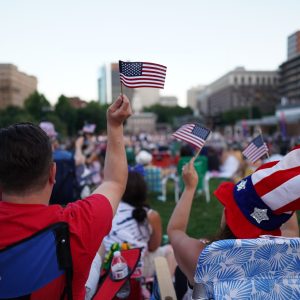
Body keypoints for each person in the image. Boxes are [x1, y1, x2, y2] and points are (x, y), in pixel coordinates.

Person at [0, 94, 132, 299]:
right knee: (97, 248)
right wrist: (114, 125)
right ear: (53, 173)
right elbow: (114, 182)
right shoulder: (77, 224)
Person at [167, 148, 300, 291]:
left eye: (227, 204)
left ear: (227, 214)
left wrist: (189, 188)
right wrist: (281, 200)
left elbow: (175, 230)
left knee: (179, 275)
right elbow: (291, 230)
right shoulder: (287, 257)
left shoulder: (201, 259)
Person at [103, 171, 177, 279]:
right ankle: (166, 289)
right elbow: (153, 247)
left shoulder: (111, 209)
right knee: (171, 251)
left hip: (110, 269)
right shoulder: (151, 215)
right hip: (136, 271)